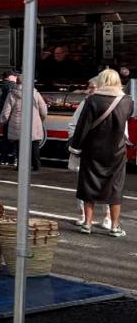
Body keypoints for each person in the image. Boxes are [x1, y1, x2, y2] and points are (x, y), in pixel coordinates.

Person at [70, 68, 133, 237]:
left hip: (93, 150)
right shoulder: (127, 101)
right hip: (117, 152)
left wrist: (75, 147)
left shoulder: (92, 100)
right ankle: (114, 226)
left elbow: (83, 126)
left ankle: (88, 224)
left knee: (89, 185)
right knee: (114, 188)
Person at [68, 77, 112, 229]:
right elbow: (73, 124)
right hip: (86, 150)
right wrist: (75, 144)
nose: (90, 89)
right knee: (84, 184)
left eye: (93, 87)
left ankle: (107, 217)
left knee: (106, 184)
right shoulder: (85, 102)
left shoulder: (112, 102)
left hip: (106, 151)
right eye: (90, 87)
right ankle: (83, 216)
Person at [0, 75, 48, 172]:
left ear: (16, 82)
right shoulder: (35, 93)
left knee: (19, 145)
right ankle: (36, 165)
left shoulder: (12, 94)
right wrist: (40, 120)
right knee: (34, 144)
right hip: (33, 123)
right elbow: (44, 111)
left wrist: (2, 122)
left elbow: (6, 112)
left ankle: (20, 166)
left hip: (17, 124)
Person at [0, 71, 18, 166]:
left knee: (5, 138)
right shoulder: (13, 87)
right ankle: (14, 158)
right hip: (14, 116)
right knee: (15, 139)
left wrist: (2, 118)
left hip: (4, 115)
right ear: (12, 77)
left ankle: (3, 159)